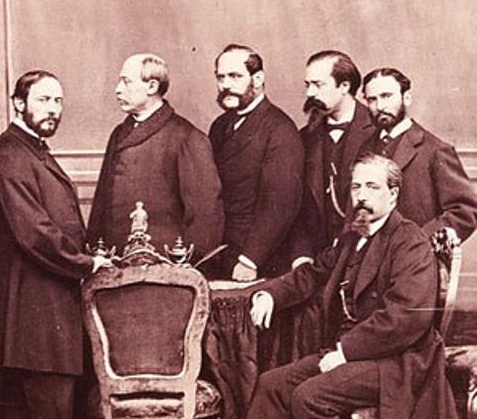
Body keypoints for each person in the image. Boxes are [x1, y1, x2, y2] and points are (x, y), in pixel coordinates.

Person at [194, 154, 465, 419]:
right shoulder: (353, 236)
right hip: (355, 354)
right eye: (356, 187)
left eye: (372, 187)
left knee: (311, 396)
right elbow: (313, 274)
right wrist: (270, 293)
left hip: (400, 363)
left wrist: (344, 352)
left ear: (393, 194)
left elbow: (404, 320)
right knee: (272, 384)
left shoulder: (410, 242)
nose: (362, 196)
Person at [0, 70, 112, 419]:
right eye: (43, 100)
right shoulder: (11, 156)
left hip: (33, 296)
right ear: (18, 103)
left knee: (28, 404)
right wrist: (85, 263)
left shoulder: (27, 150)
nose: (53, 109)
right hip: (32, 298)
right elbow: (33, 232)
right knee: (52, 400)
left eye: (58, 100)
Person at [87, 53, 223, 263]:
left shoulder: (187, 137)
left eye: (126, 81)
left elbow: (205, 215)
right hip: (115, 261)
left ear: (152, 86)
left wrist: (190, 265)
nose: (118, 89)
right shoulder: (119, 133)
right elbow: (101, 203)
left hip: (162, 264)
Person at [209, 44, 304, 280]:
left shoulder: (279, 128)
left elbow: (281, 203)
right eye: (221, 77)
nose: (226, 85)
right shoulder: (220, 126)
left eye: (235, 76)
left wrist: (250, 259)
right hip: (221, 249)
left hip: (258, 256)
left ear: (258, 79)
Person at [358, 67, 477, 243]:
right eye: (372, 99)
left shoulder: (435, 150)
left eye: (386, 96)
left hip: (416, 255)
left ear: (406, 98)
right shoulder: (365, 148)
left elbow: (464, 211)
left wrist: (417, 243)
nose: (380, 106)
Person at [288, 50, 375, 265]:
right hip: (315, 260)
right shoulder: (304, 138)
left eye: (318, 85)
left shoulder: (377, 131)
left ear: (344, 86)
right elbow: (295, 205)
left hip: (363, 259)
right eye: (307, 85)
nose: (310, 93)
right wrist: (301, 255)